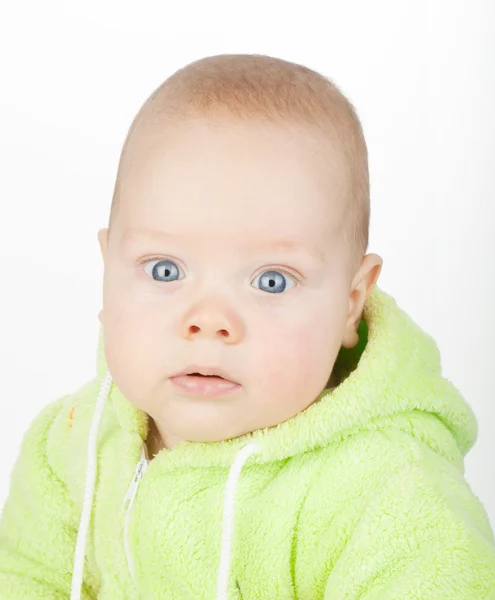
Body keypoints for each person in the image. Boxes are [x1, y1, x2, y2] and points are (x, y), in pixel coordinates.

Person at [1, 53, 494, 600]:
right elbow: (23, 578)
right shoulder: (71, 443)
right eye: (166, 270)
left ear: (350, 304)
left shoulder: (389, 498)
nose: (209, 322)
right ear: (107, 272)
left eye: (272, 282)